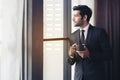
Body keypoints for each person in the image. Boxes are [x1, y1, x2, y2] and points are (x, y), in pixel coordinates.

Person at [67, 5, 112, 80]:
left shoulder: (99, 33)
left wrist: (89, 54)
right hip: (78, 77)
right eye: (73, 16)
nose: (73, 19)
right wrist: (71, 55)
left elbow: (109, 55)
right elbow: (71, 62)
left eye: (76, 16)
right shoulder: (73, 36)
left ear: (85, 17)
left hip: (95, 77)